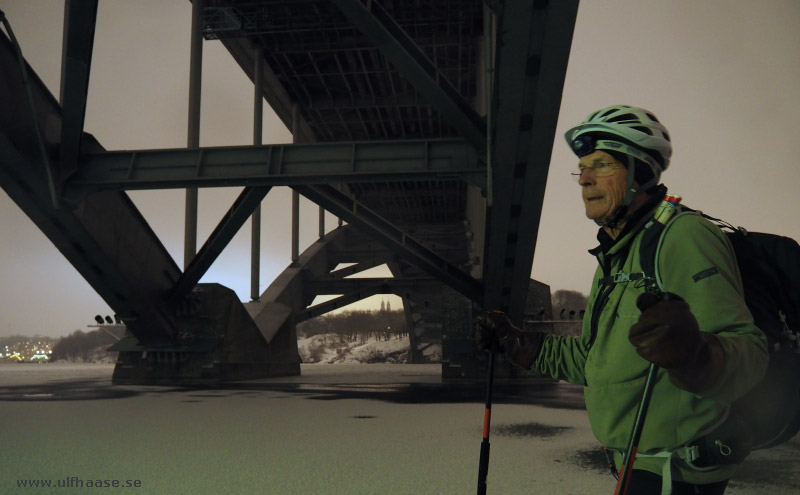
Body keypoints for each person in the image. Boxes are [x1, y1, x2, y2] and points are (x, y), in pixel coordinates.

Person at [476, 105, 768, 494]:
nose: (584, 179)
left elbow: (751, 355)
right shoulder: (615, 256)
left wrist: (694, 354)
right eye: (581, 168)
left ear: (641, 172)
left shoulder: (684, 237)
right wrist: (518, 343)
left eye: (601, 165)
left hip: (675, 473)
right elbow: (593, 362)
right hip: (634, 464)